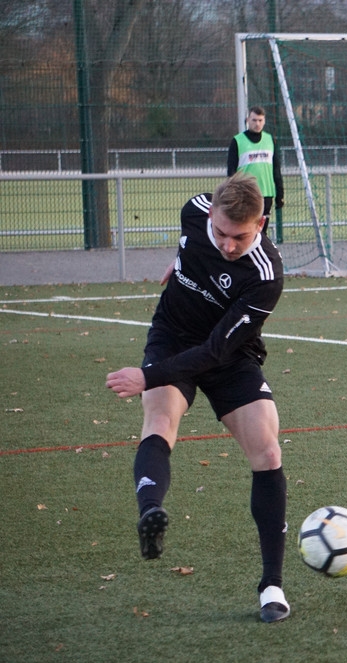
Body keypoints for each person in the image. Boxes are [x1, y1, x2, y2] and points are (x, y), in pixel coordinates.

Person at [105, 174, 291, 624]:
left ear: (262, 224)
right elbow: (191, 242)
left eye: (241, 237)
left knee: (267, 450)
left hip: (227, 351)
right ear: (210, 214)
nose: (228, 245)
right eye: (221, 233)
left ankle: (271, 585)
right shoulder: (193, 209)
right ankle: (151, 511)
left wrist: (145, 375)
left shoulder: (266, 275)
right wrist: (180, 260)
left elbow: (213, 352)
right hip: (172, 336)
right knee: (161, 421)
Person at [227, 106, 284, 236]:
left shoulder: (270, 140)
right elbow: (231, 171)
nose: (257, 123)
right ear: (248, 120)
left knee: (261, 232)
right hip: (245, 193)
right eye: (254, 120)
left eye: (260, 120)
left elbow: (276, 168)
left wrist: (280, 193)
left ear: (264, 121)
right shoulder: (237, 141)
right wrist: (233, 193)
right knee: (246, 230)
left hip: (266, 193)